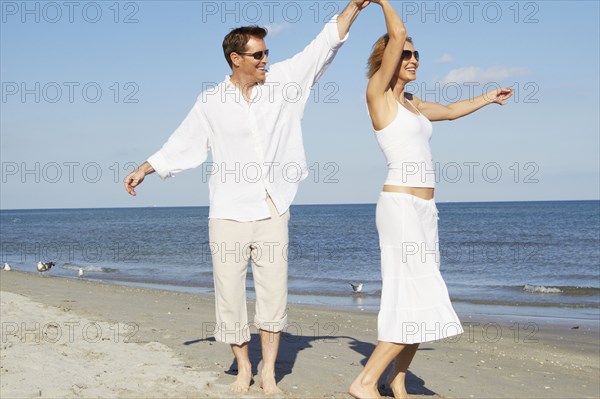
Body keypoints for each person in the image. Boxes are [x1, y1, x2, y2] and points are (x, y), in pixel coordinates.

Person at [124, 0, 371, 394]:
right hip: (227, 213)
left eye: (267, 53)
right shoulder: (211, 102)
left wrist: (354, 7)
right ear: (235, 59)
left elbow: (324, 45)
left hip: (273, 207)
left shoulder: (284, 83)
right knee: (229, 296)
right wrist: (145, 168)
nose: (265, 60)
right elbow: (181, 143)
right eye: (258, 55)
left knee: (273, 293)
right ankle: (243, 368)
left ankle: (269, 372)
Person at [349, 1, 513, 398]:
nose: (412, 58)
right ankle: (364, 381)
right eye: (405, 54)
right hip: (400, 207)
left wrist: (488, 97)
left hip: (425, 210)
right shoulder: (378, 96)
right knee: (417, 294)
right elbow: (399, 33)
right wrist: (384, 3)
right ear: (386, 58)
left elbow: (454, 110)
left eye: (416, 55)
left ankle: (398, 382)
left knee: (420, 297)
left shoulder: (413, 105)